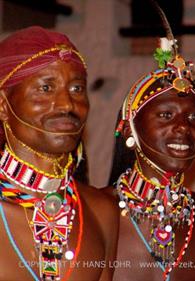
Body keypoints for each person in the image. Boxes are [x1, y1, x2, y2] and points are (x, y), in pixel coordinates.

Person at [106, 29, 195, 281]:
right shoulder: (97, 209)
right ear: (130, 126)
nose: (185, 126)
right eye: (166, 115)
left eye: (194, 117)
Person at [0, 26, 118, 281]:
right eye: (46, 88)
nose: (67, 104)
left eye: (77, 89)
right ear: (3, 104)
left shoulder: (101, 211)